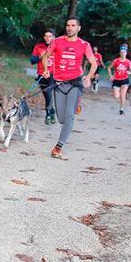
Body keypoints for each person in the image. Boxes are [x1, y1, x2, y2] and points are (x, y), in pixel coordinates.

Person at [40, 17, 97, 159]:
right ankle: (75, 107)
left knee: (70, 115)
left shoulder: (84, 44)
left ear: (79, 28)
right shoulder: (57, 41)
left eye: (73, 25)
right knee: (61, 119)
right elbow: (45, 57)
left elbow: (93, 63)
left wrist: (88, 76)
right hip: (59, 83)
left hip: (75, 84)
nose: (70, 28)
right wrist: (46, 69)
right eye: (68, 25)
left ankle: (58, 147)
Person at [30, 29, 56, 124]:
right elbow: (32, 60)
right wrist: (41, 57)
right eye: (46, 36)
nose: (48, 38)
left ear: (54, 37)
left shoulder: (57, 47)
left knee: (48, 92)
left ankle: (48, 114)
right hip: (41, 74)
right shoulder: (39, 47)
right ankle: (52, 111)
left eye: (50, 36)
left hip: (52, 75)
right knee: (46, 95)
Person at [108, 45, 131, 114]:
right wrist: (111, 76)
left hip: (125, 80)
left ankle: (121, 109)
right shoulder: (116, 60)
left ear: (126, 53)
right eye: (121, 52)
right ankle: (119, 94)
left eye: (124, 52)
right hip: (116, 80)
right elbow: (109, 68)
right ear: (120, 53)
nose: (123, 53)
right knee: (116, 96)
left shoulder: (128, 62)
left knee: (122, 96)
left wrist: (130, 72)